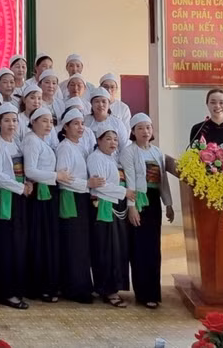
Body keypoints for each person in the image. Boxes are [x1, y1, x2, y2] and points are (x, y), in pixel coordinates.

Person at [121, 113, 174, 309]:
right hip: (138, 201)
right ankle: (142, 293)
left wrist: (168, 204)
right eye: (140, 128)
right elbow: (129, 179)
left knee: (154, 249)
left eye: (148, 128)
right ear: (133, 131)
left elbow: (162, 181)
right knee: (139, 249)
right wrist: (131, 207)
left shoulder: (157, 152)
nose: (145, 131)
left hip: (153, 203)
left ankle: (153, 292)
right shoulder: (129, 152)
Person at [22, 107, 71, 303]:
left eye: (51, 121)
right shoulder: (31, 141)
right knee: (40, 241)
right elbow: (30, 170)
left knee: (48, 240)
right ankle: (39, 286)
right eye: (44, 121)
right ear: (33, 122)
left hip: (48, 193)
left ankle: (48, 284)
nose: (48, 125)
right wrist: (55, 176)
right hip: (39, 197)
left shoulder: (42, 141)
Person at [0, 103, 32, 309]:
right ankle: (7, 291)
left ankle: (18, 288)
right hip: (7, 198)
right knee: (8, 246)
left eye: (14, 120)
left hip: (21, 197)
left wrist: (27, 184)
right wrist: (20, 187)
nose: (11, 124)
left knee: (20, 245)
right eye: (6, 120)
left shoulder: (17, 143)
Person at [55, 109, 98, 304]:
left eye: (82, 123)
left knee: (82, 245)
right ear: (65, 127)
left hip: (81, 197)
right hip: (71, 197)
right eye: (75, 124)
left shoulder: (79, 146)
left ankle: (82, 285)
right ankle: (74, 288)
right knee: (73, 244)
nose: (81, 127)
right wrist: (86, 184)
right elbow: (63, 179)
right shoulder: (64, 147)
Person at [88, 125, 130, 308]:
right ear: (98, 141)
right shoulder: (95, 158)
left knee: (116, 249)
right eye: (108, 139)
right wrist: (125, 192)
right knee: (106, 249)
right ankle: (108, 290)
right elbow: (99, 186)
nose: (113, 142)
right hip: (104, 207)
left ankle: (112, 287)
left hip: (115, 206)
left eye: (115, 139)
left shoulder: (112, 158)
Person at [85, 88, 130, 154]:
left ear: (109, 105)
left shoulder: (117, 123)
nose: (100, 104)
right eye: (97, 101)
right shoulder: (85, 121)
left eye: (104, 101)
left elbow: (124, 146)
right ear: (91, 104)